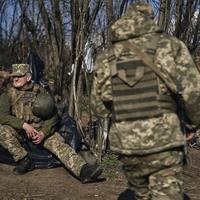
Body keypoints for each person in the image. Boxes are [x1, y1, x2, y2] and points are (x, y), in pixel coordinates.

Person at [91, 2, 200, 200]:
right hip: (164, 140)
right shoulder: (171, 46)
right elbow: (193, 94)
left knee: (140, 195)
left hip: (127, 144)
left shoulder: (106, 57)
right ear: (150, 19)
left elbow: (99, 108)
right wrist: (192, 125)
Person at [0, 63, 102, 183]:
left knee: (61, 146)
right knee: (2, 130)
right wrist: (23, 125)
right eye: (13, 76)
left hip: (40, 130)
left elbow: (53, 116)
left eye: (19, 76)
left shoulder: (40, 92)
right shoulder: (8, 94)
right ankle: (25, 160)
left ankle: (83, 171)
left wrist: (43, 132)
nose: (15, 79)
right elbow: (2, 116)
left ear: (28, 77)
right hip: (20, 131)